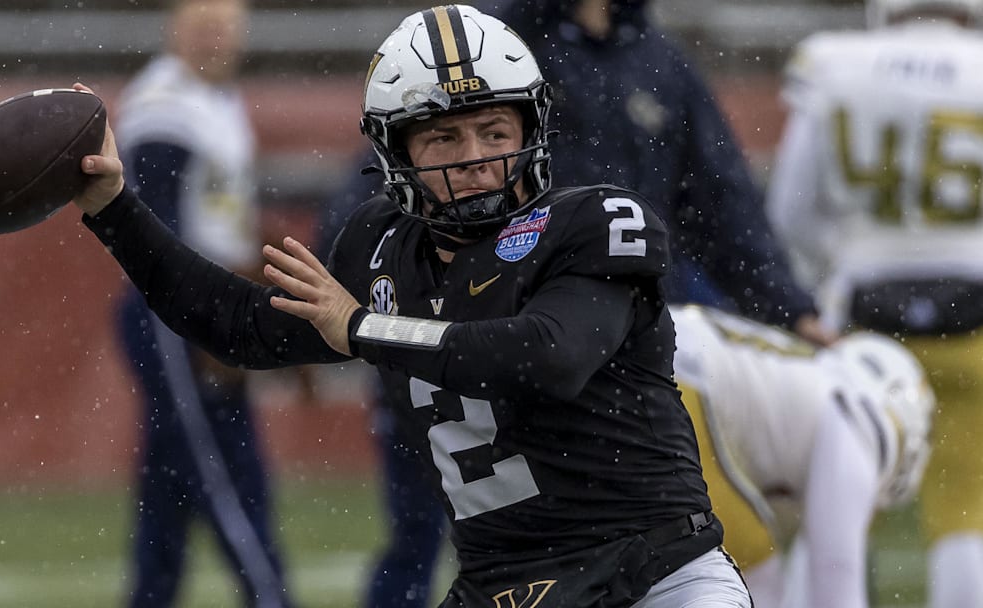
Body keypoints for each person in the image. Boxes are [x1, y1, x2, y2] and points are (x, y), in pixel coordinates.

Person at [71, 5, 752, 607]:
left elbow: (551, 355)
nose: (476, 158)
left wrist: (364, 330)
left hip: (653, 576)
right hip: (501, 586)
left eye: (493, 131)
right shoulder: (379, 246)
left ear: (532, 129)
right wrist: (115, 212)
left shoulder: (598, 222)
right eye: (444, 138)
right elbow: (244, 328)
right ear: (397, 150)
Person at [317, 2, 837, 606]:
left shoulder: (661, 62)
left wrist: (792, 309)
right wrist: (359, 282)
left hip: (603, 348)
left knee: (639, 528)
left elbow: (723, 204)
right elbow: (389, 176)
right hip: (460, 344)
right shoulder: (490, 53)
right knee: (424, 530)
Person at [764, 1, 983, 606]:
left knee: (838, 502)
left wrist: (841, 260)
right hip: (975, 319)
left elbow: (792, 209)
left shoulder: (836, 61)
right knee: (967, 506)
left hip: (858, 316)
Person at [112, 1, 291, 606]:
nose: (216, 41)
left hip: (206, 301)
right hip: (177, 310)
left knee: (171, 480)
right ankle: (271, 596)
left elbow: (219, 216)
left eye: (226, 27)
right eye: (203, 27)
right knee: (225, 472)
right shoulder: (165, 100)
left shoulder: (220, 100)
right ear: (175, 30)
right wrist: (207, 318)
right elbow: (159, 229)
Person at [670, 304, 934, 608]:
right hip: (679, 379)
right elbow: (836, 589)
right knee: (746, 575)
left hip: (650, 356)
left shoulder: (812, 383)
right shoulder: (856, 418)